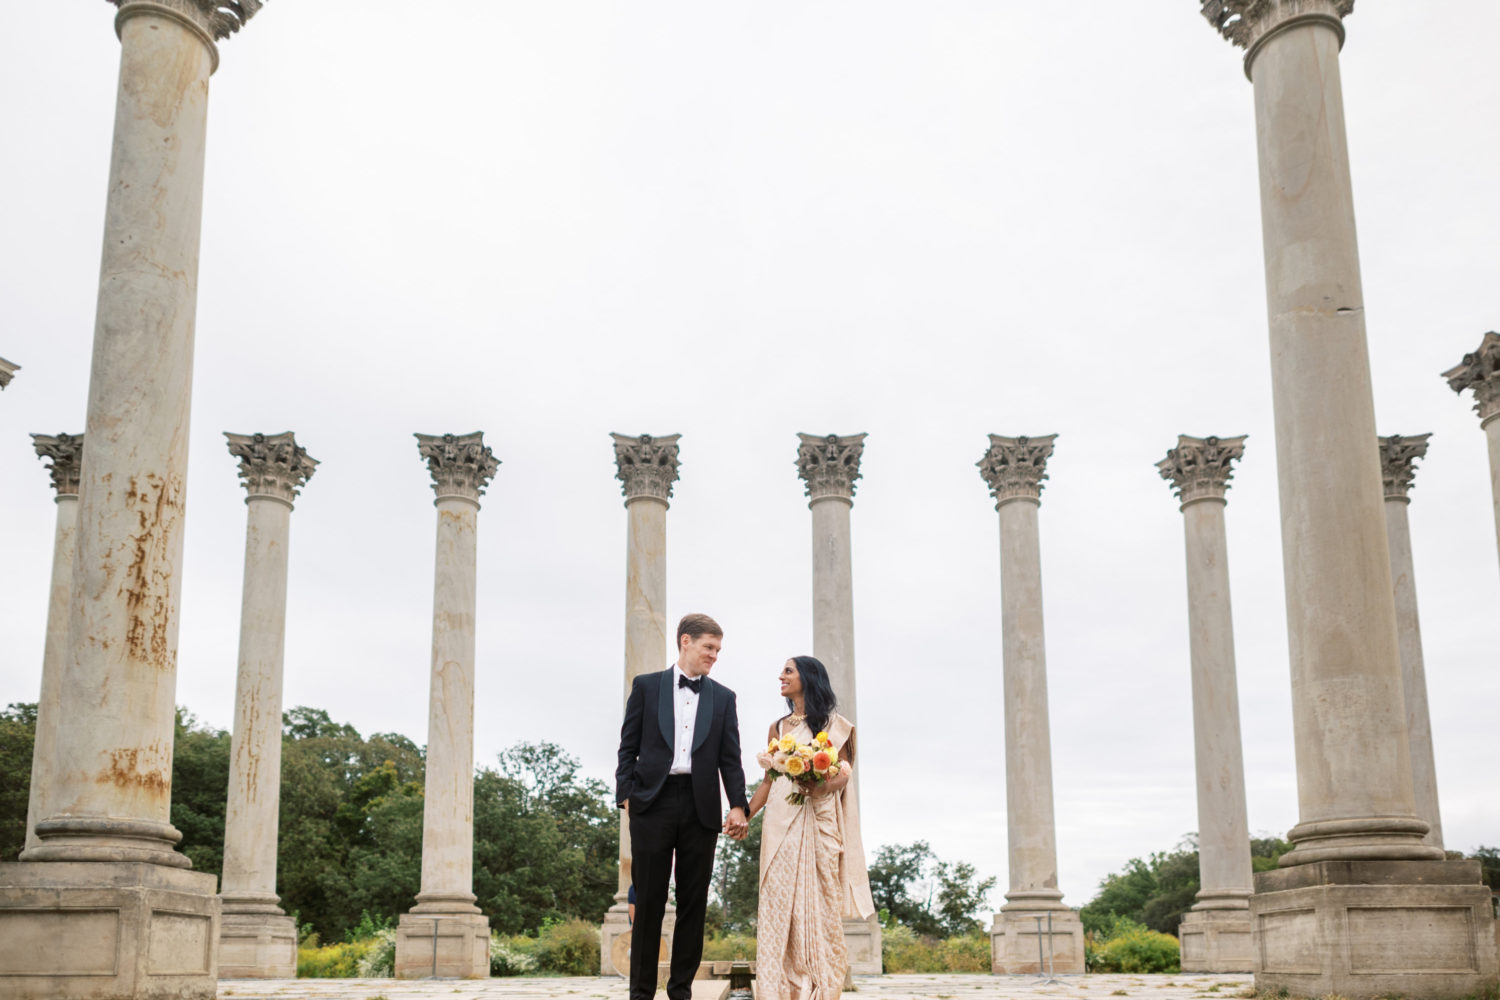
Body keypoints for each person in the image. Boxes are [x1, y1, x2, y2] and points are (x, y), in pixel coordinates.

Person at [616, 613, 749, 1000]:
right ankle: (641, 993)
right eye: (709, 647)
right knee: (648, 900)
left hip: (701, 806)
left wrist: (737, 805)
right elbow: (628, 746)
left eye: (718, 650)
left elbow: (731, 759)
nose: (714, 655)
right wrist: (626, 794)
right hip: (651, 803)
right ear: (685, 641)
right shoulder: (646, 686)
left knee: (694, 903)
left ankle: (680, 992)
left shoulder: (724, 698)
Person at [743, 655, 875, 1000]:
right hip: (780, 824)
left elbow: (842, 775)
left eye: (788, 671)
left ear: (808, 678)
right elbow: (769, 782)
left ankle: (819, 986)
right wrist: (743, 815)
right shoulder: (777, 728)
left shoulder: (835, 726)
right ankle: (778, 990)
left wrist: (821, 786)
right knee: (776, 904)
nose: (781, 676)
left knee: (821, 906)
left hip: (819, 821)